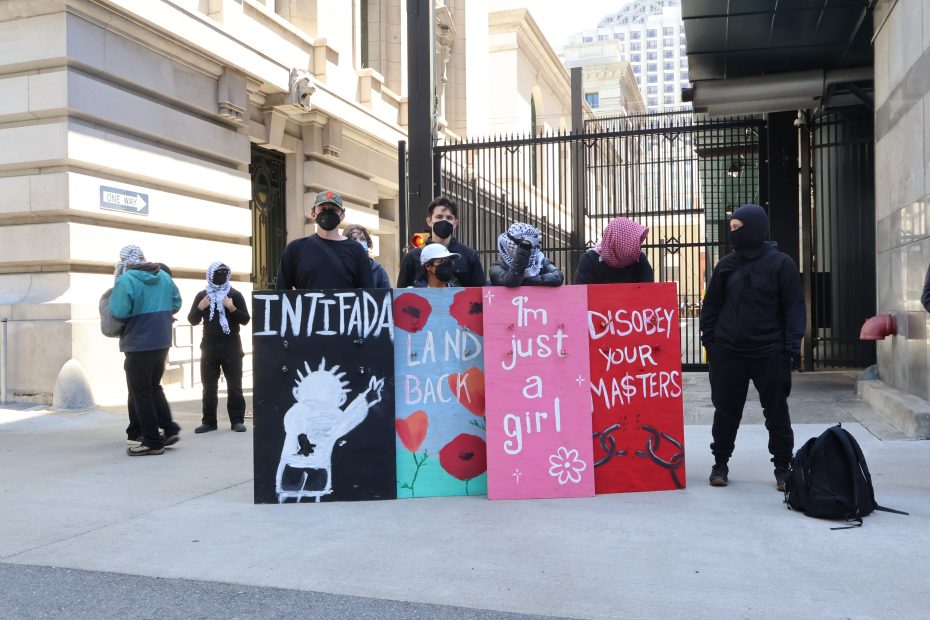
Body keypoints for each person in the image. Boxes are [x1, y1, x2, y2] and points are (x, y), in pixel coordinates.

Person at [699, 204, 805, 490]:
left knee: (777, 412)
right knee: (725, 411)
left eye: (737, 227)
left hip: (770, 352)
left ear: (756, 227)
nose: (732, 233)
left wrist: (790, 349)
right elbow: (711, 307)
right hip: (728, 352)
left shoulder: (782, 264)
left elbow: (794, 308)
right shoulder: (726, 265)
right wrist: (711, 341)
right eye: (731, 228)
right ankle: (720, 463)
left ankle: (783, 467)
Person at [109, 245, 182, 456]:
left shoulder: (126, 280)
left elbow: (119, 311)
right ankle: (169, 429)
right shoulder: (164, 277)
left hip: (139, 341)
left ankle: (152, 441)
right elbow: (176, 303)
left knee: (140, 391)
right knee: (153, 387)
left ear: (124, 260)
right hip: (162, 339)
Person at [187, 262, 251, 434]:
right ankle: (209, 421)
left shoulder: (234, 295)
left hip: (232, 347)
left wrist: (231, 307)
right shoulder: (202, 295)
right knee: (208, 387)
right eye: (217, 273)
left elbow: (245, 319)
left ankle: (237, 420)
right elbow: (192, 320)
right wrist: (200, 308)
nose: (221, 277)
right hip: (209, 348)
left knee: (234, 385)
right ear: (209, 275)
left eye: (224, 273)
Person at [276, 191, 374, 290]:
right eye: (322, 209)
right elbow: (281, 294)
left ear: (342, 215)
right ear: (313, 214)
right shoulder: (295, 249)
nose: (328, 213)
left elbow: (369, 294)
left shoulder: (357, 250)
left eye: (333, 209)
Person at [396, 196, 486, 288]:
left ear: (455, 223)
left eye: (449, 217)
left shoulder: (469, 255)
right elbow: (401, 295)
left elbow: (481, 293)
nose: (444, 221)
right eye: (439, 217)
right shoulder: (412, 257)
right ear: (429, 221)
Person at [575, 217, 654, 284]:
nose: (636, 247)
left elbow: (648, 289)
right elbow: (582, 294)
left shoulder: (638, 258)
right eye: (632, 242)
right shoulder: (589, 260)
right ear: (616, 242)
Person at [490, 222, 563, 287]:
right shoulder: (498, 267)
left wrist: (528, 281)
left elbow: (557, 277)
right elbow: (511, 281)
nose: (531, 249)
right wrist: (523, 250)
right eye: (523, 245)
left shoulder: (540, 261)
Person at [342, 224, 391, 288]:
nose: (358, 243)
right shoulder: (341, 268)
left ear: (367, 243)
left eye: (362, 239)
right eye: (354, 239)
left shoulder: (378, 270)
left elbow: (387, 295)